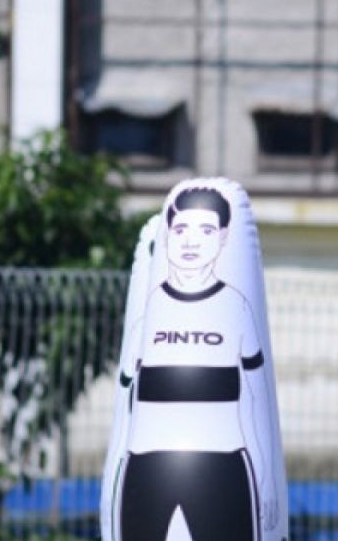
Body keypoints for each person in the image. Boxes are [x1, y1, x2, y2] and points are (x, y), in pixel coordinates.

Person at [113, 187, 278, 540]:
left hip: (225, 463)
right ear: (168, 236)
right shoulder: (148, 318)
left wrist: (265, 474)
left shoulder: (236, 308)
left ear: (221, 239)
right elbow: (124, 414)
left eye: (205, 231)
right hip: (146, 465)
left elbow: (255, 401)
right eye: (180, 230)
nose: (190, 242)